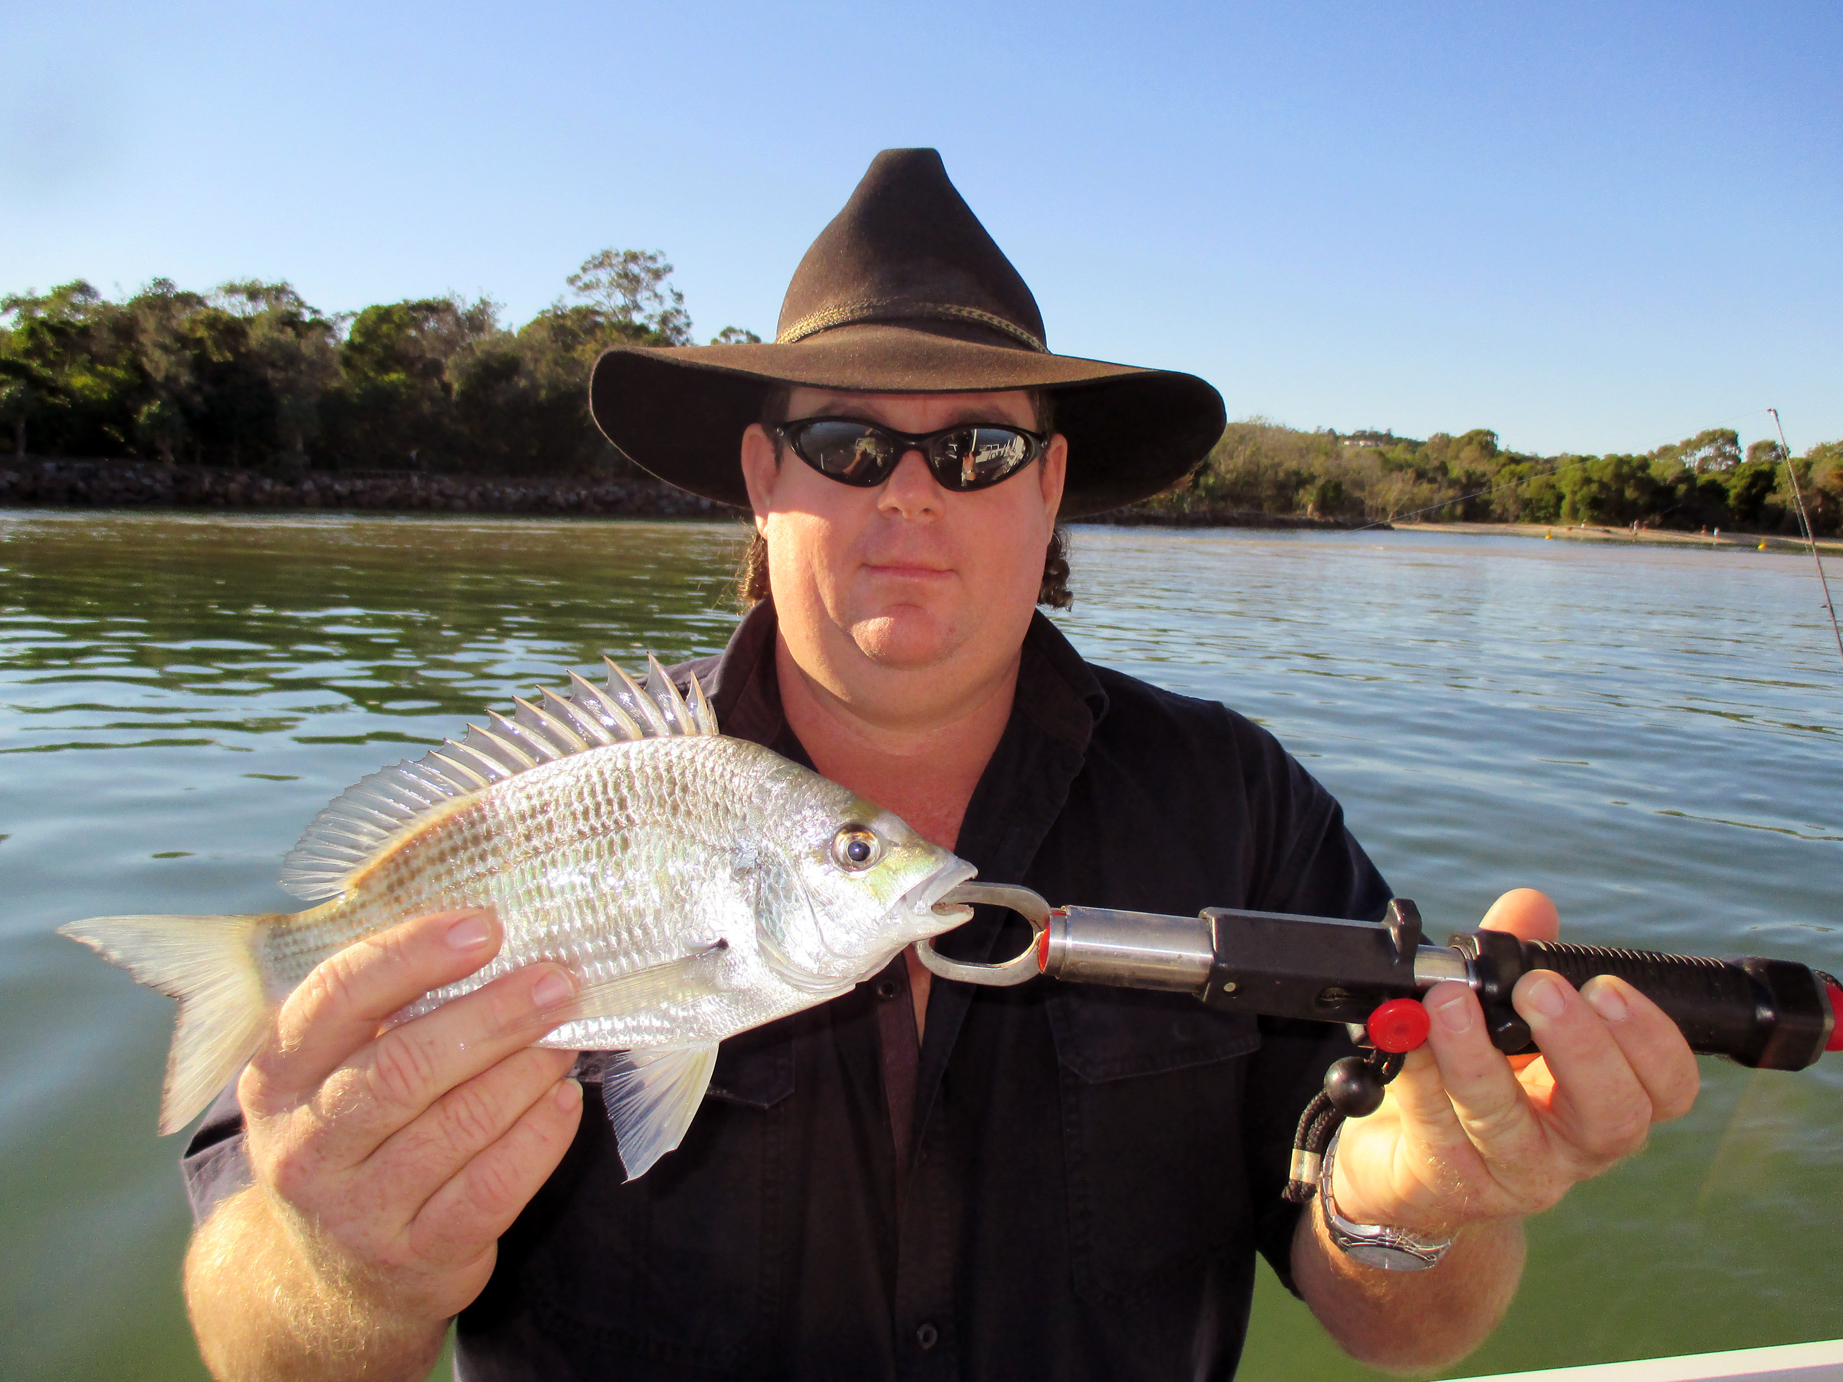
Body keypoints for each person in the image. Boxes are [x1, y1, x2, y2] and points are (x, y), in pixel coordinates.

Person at [180, 150, 1699, 1381]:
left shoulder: (1239, 806)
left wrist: (1425, 1202)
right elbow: (256, 1337)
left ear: (1051, 492)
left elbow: (1393, 1317)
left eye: (974, 448)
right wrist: (337, 1267)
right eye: (845, 443)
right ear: (760, 480)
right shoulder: (549, 804)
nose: (909, 494)